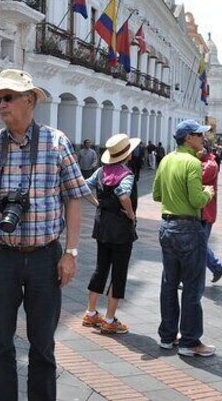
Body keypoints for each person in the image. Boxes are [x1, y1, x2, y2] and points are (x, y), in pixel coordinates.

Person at [0, 69, 89, 401]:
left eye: (8, 98)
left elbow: (74, 197)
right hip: (1, 256)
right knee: (0, 342)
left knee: (42, 344)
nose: (1, 105)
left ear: (29, 100)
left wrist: (71, 253)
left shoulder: (56, 142)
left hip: (46, 256)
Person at [152, 120, 216, 357]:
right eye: (199, 135)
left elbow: (157, 194)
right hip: (188, 226)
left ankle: (167, 337)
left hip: (167, 225)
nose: (203, 138)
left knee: (169, 284)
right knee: (192, 286)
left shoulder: (167, 159)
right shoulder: (192, 162)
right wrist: (208, 192)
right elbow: (196, 200)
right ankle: (190, 341)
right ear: (188, 138)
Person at [82, 134, 139, 335]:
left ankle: (90, 312)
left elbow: (82, 186)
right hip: (121, 229)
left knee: (101, 267)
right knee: (119, 272)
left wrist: (97, 203)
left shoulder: (100, 171)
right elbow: (123, 194)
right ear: (127, 154)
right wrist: (131, 214)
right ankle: (109, 318)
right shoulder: (126, 174)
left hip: (102, 226)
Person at [199, 148, 222, 283]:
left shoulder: (210, 164)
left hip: (206, 211)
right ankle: (216, 267)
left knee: (199, 244)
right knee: (198, 244)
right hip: (201, 210)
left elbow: (196, 178)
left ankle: (217, 266)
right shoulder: (203, 162)